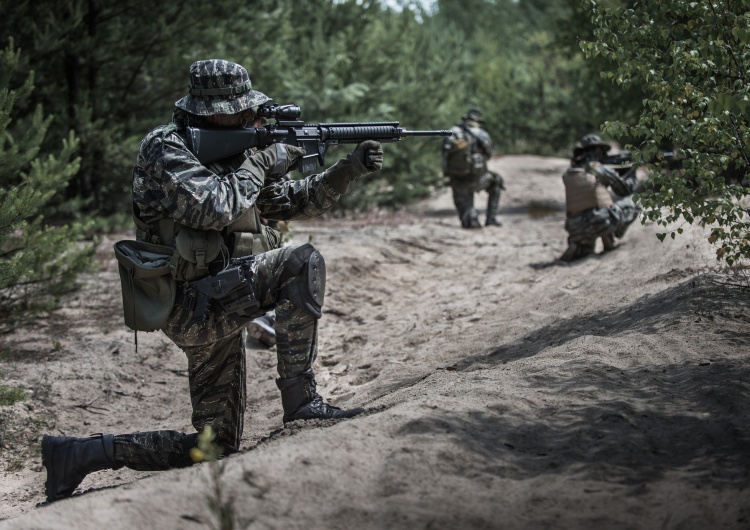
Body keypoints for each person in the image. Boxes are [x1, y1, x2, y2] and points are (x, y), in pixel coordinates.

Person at [40, 59, 383, 503]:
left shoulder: (236, 152)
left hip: (220, 293)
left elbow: (288, 203)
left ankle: (84, 454)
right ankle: (301, 403)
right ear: (207, 111)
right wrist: (261, 160)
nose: (250, 119)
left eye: (250, 113)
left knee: (214, 447)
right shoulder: (166, 149)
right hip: (187, 304)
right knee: (302, 260)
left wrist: (347, 169)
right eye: (239, 113)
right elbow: (215, 207)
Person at [559, 134, 641, 261]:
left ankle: (579, 244)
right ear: (597, 150)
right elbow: (625, 190)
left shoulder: (569, 173)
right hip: (601, 222)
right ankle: (610, 235)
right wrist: (631, 171)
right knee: (636, 201)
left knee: (587, 249)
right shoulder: (599, 169)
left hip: (575, 228)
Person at [441, 108, 505, 228]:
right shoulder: (482, 134)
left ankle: (469, 217)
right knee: (496, 182)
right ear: (478, 121)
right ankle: (491, 219)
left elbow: (445, 153)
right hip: (478, 177)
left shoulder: (453, 132)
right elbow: (488, 155)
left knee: (462, 198)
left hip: (457, 178)